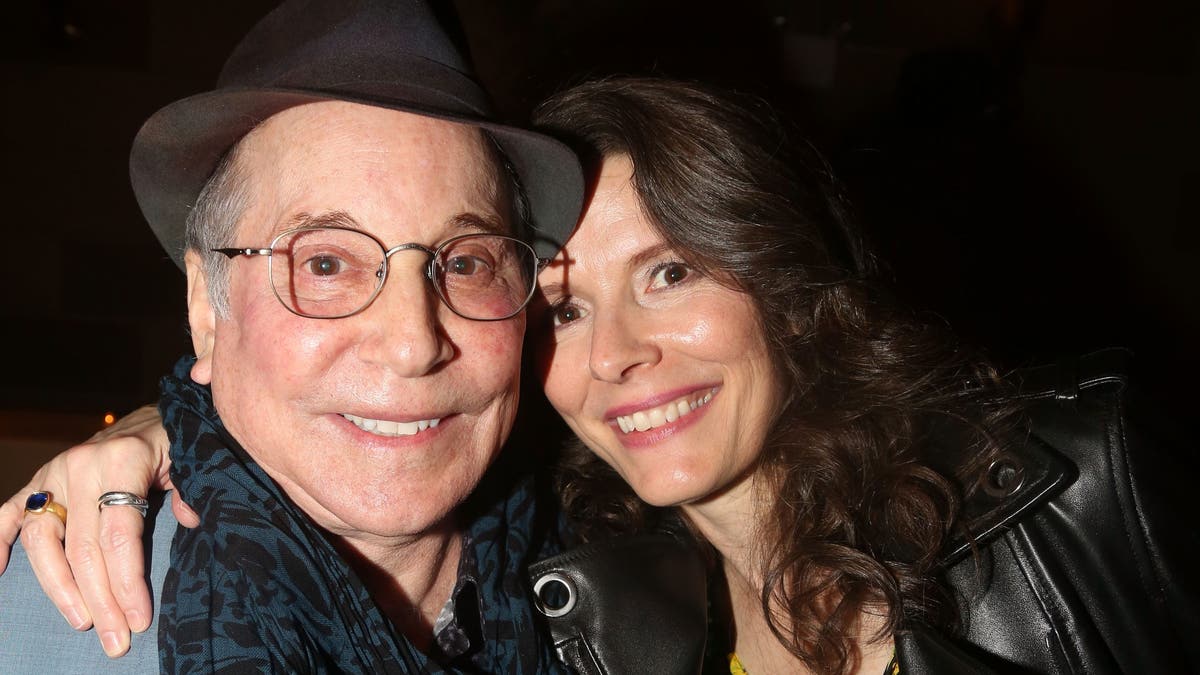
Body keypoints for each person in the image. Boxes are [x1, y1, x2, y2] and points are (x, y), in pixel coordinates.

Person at [7, 78, 1198, 674]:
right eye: (566, 303)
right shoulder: (597, 595)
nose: (619, 350)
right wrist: (179, 428)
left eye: (672, 271)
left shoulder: (1093, 484)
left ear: (779, 275)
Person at [0, 0, 589, 672]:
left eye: (464, 262)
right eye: (325, 263)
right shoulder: (28, 636)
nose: (412, 342)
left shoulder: (623, 598)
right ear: (205, 309)